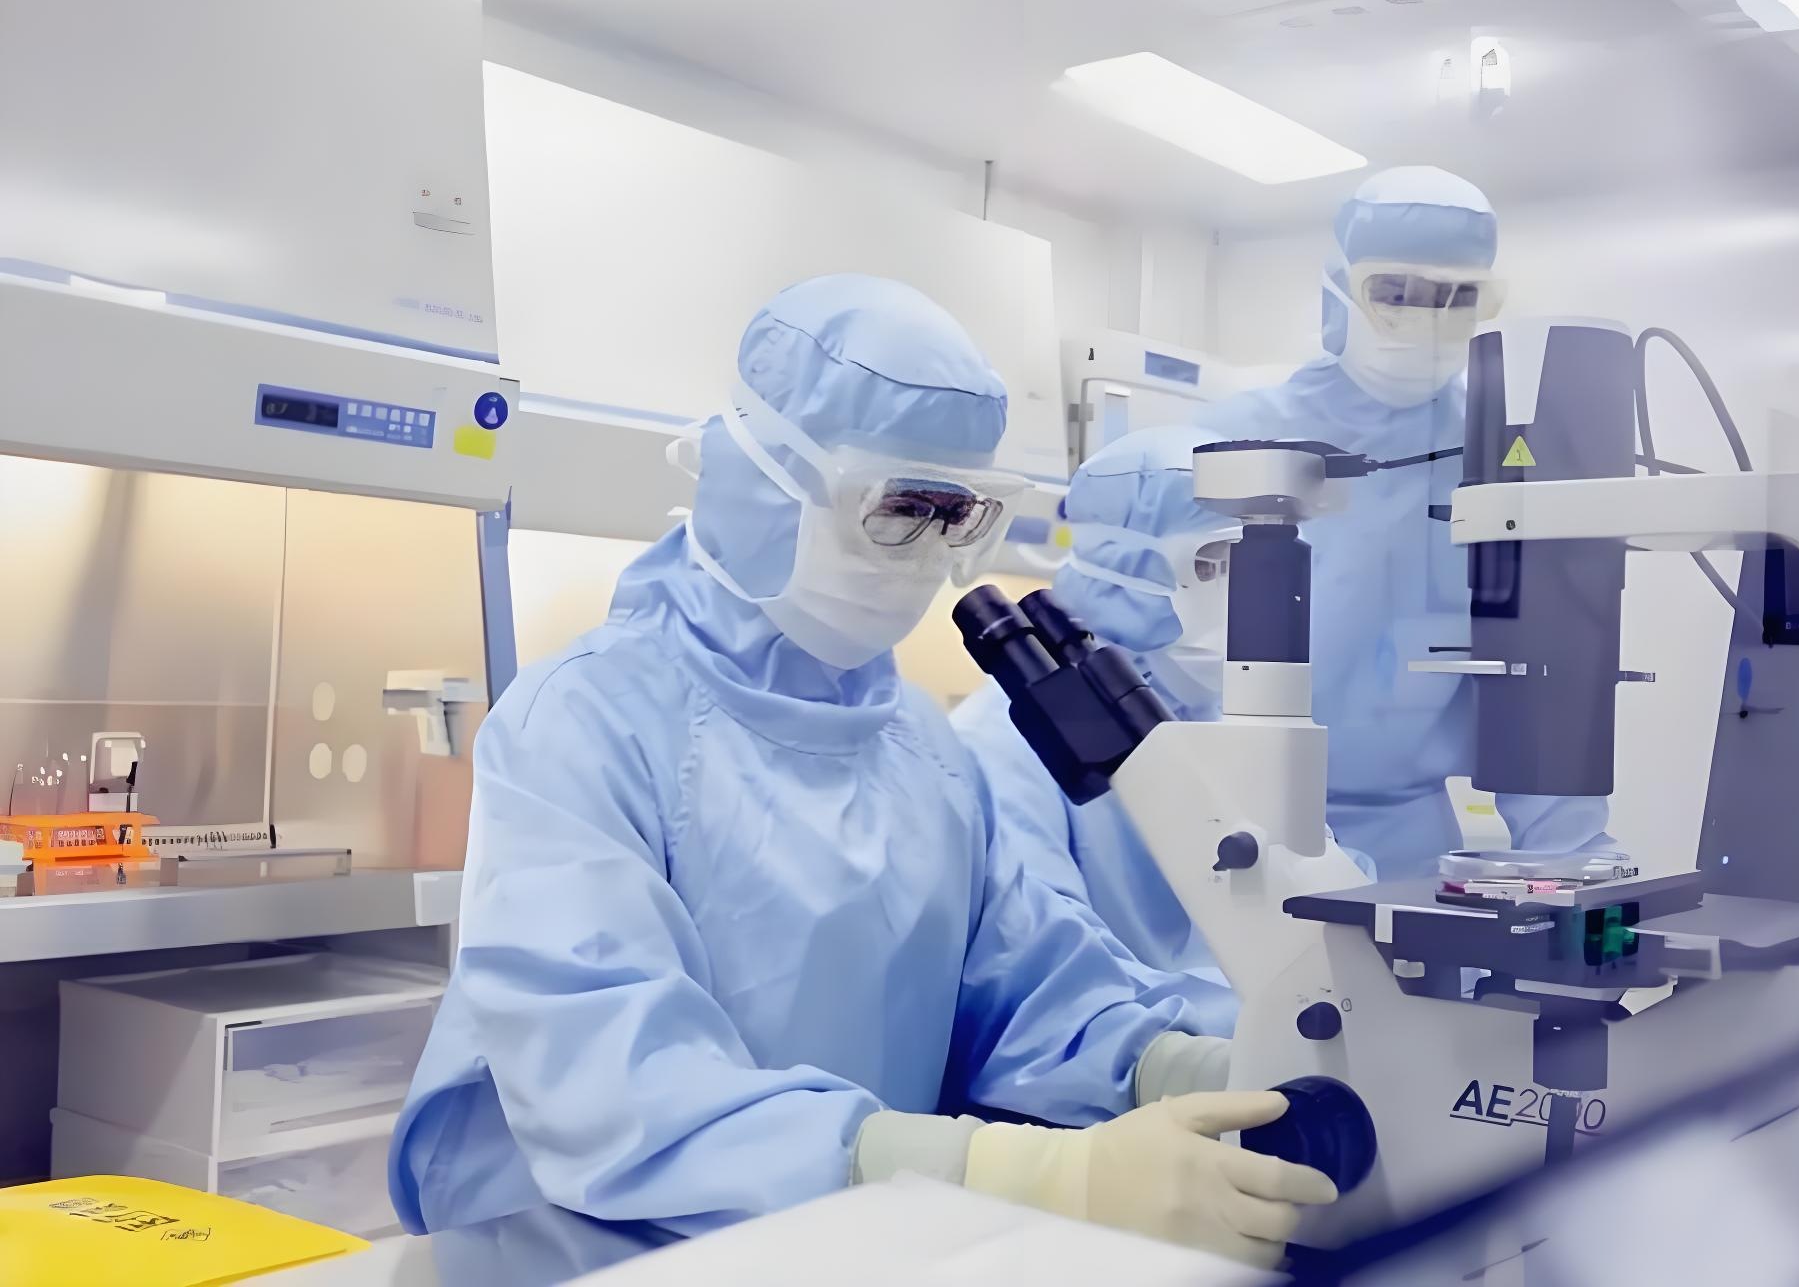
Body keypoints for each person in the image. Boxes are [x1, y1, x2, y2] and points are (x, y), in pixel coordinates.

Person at [387, 274, 1335, 1269]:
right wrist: (1038, 1175)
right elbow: (621, 1086)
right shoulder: (582, 723)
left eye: (957, 515)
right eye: (902, 507)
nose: (927, 552)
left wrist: (1205, 1071)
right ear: (766, 484)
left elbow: (1029, 992)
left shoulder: (921, 747)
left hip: (842, 1248)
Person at [1199, 167, 1615, 881]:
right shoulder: (1239, 437)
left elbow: (1534, 672)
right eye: (1395, 292)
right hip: (1236, 815)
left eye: (1459, 297)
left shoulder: (1497, 450)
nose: (1427, 319)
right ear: (1339, 292)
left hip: (1412, 843)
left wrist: (1571, 857)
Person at [952, 425, 1250, 1039]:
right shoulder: (1003, 747)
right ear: (1123, 567)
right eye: (1216, 563)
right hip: (1118, 1070)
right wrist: (1223, 1036)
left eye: (1263, 566)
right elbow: (1048, 978)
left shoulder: (1220, 718)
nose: (1252, 596)